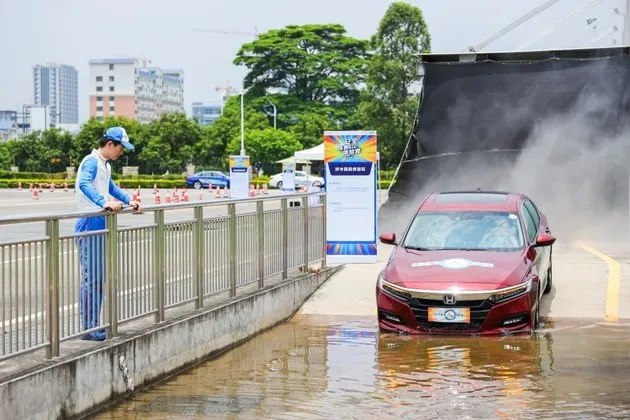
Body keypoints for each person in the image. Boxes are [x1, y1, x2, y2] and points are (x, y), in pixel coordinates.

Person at [75, 127, 142, 341]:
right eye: (121, 148)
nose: (122, 152)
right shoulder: (91, 162)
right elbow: (84, 184)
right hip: (89, 221)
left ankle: (94, 325)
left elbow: (111, 188)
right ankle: (88, 329)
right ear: (110, 144)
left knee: (98, 278)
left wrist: (129, 201)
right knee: (91, 278)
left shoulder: (105, 165)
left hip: (100, 220)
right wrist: (103, 203)